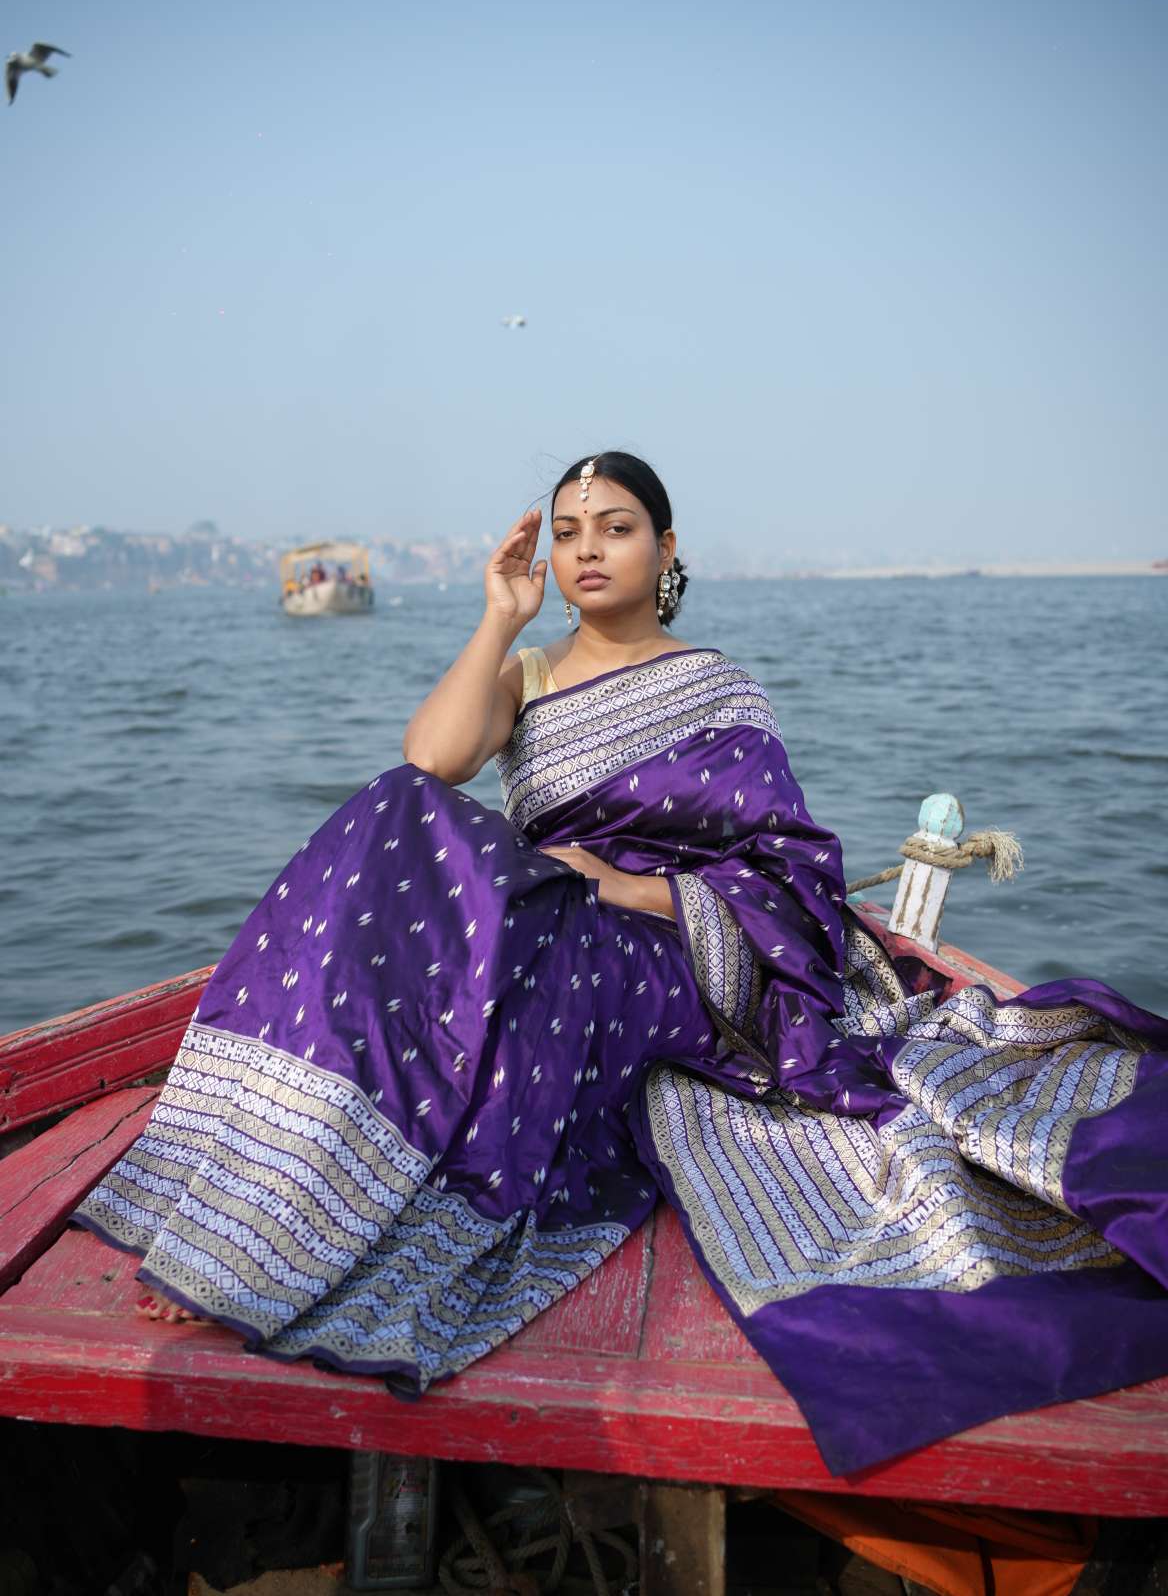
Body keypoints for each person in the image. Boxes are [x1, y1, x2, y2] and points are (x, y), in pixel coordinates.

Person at [72, 452, 1168, 1475]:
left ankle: (318, 1227)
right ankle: (271, 1185)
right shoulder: (532, 672)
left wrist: (631, 887)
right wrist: (499, 616)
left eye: (615, 527)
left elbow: (790, 883)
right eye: (566, 532)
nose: (587, 548)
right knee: (393, 817)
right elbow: (431, 762)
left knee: (524, 966)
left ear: (667, 548)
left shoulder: (717, 689)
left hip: (666, 948)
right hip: (538, 912)